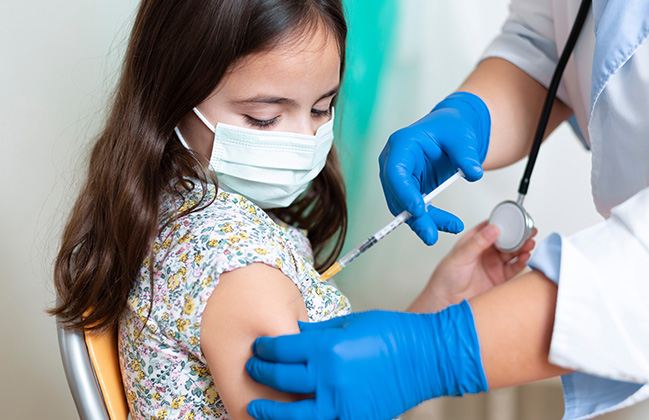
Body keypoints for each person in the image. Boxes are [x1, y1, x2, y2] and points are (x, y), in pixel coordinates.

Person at [245, 0, 649, 419]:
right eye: (265, 117)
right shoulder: (221, 256)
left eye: (323, 109)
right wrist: (472, 114)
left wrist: (433, 349)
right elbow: (549, 38)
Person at [49, 0, 535, 419]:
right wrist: (426, 353)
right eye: (264, 118)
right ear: (174, 93)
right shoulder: (239, 270)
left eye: (322, 108)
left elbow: (337, 398)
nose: (305, 139)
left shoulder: (181, 209)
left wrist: (435, 307)